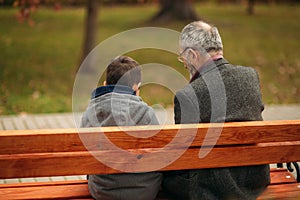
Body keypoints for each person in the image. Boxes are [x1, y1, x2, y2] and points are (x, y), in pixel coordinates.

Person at [162, 21, 270, 200]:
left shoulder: (188, 95)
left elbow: (183, 156)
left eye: (183, 58)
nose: (184, 63)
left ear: (192, 55)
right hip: (256, 181)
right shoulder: (251, 76)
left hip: (211, 189)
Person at [80, 56, 162, 200]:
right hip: (144, 191)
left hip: (102, 191)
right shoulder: (146, 113)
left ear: (105, 84)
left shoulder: (89, 114)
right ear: (136, 88)